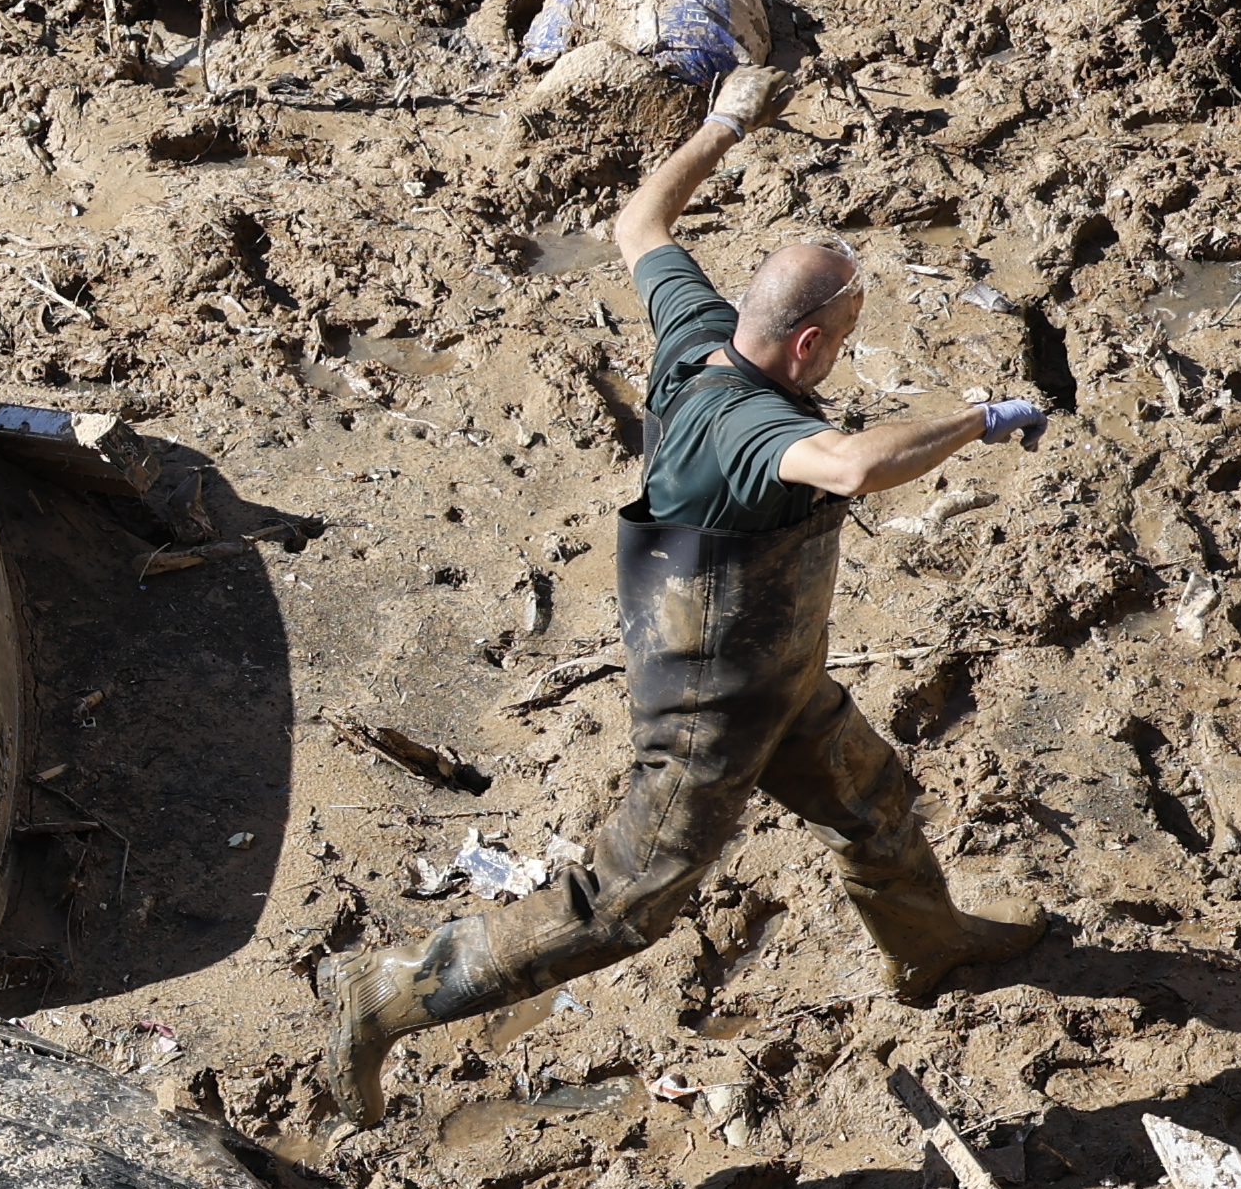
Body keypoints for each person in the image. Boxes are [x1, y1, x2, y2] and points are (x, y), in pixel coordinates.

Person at [329, 71, 1052, 1123]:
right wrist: (977, 420)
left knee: (872, 798)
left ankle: (930, 951)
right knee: (625, 902)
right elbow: (852, 467)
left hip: (779, 678)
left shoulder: (698, 331)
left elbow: (639, 220)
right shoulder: (754, 433)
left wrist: (723, 123)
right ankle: (388, 995)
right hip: (711, 704)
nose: (842, 350)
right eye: (844, 333)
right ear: (806, 344)